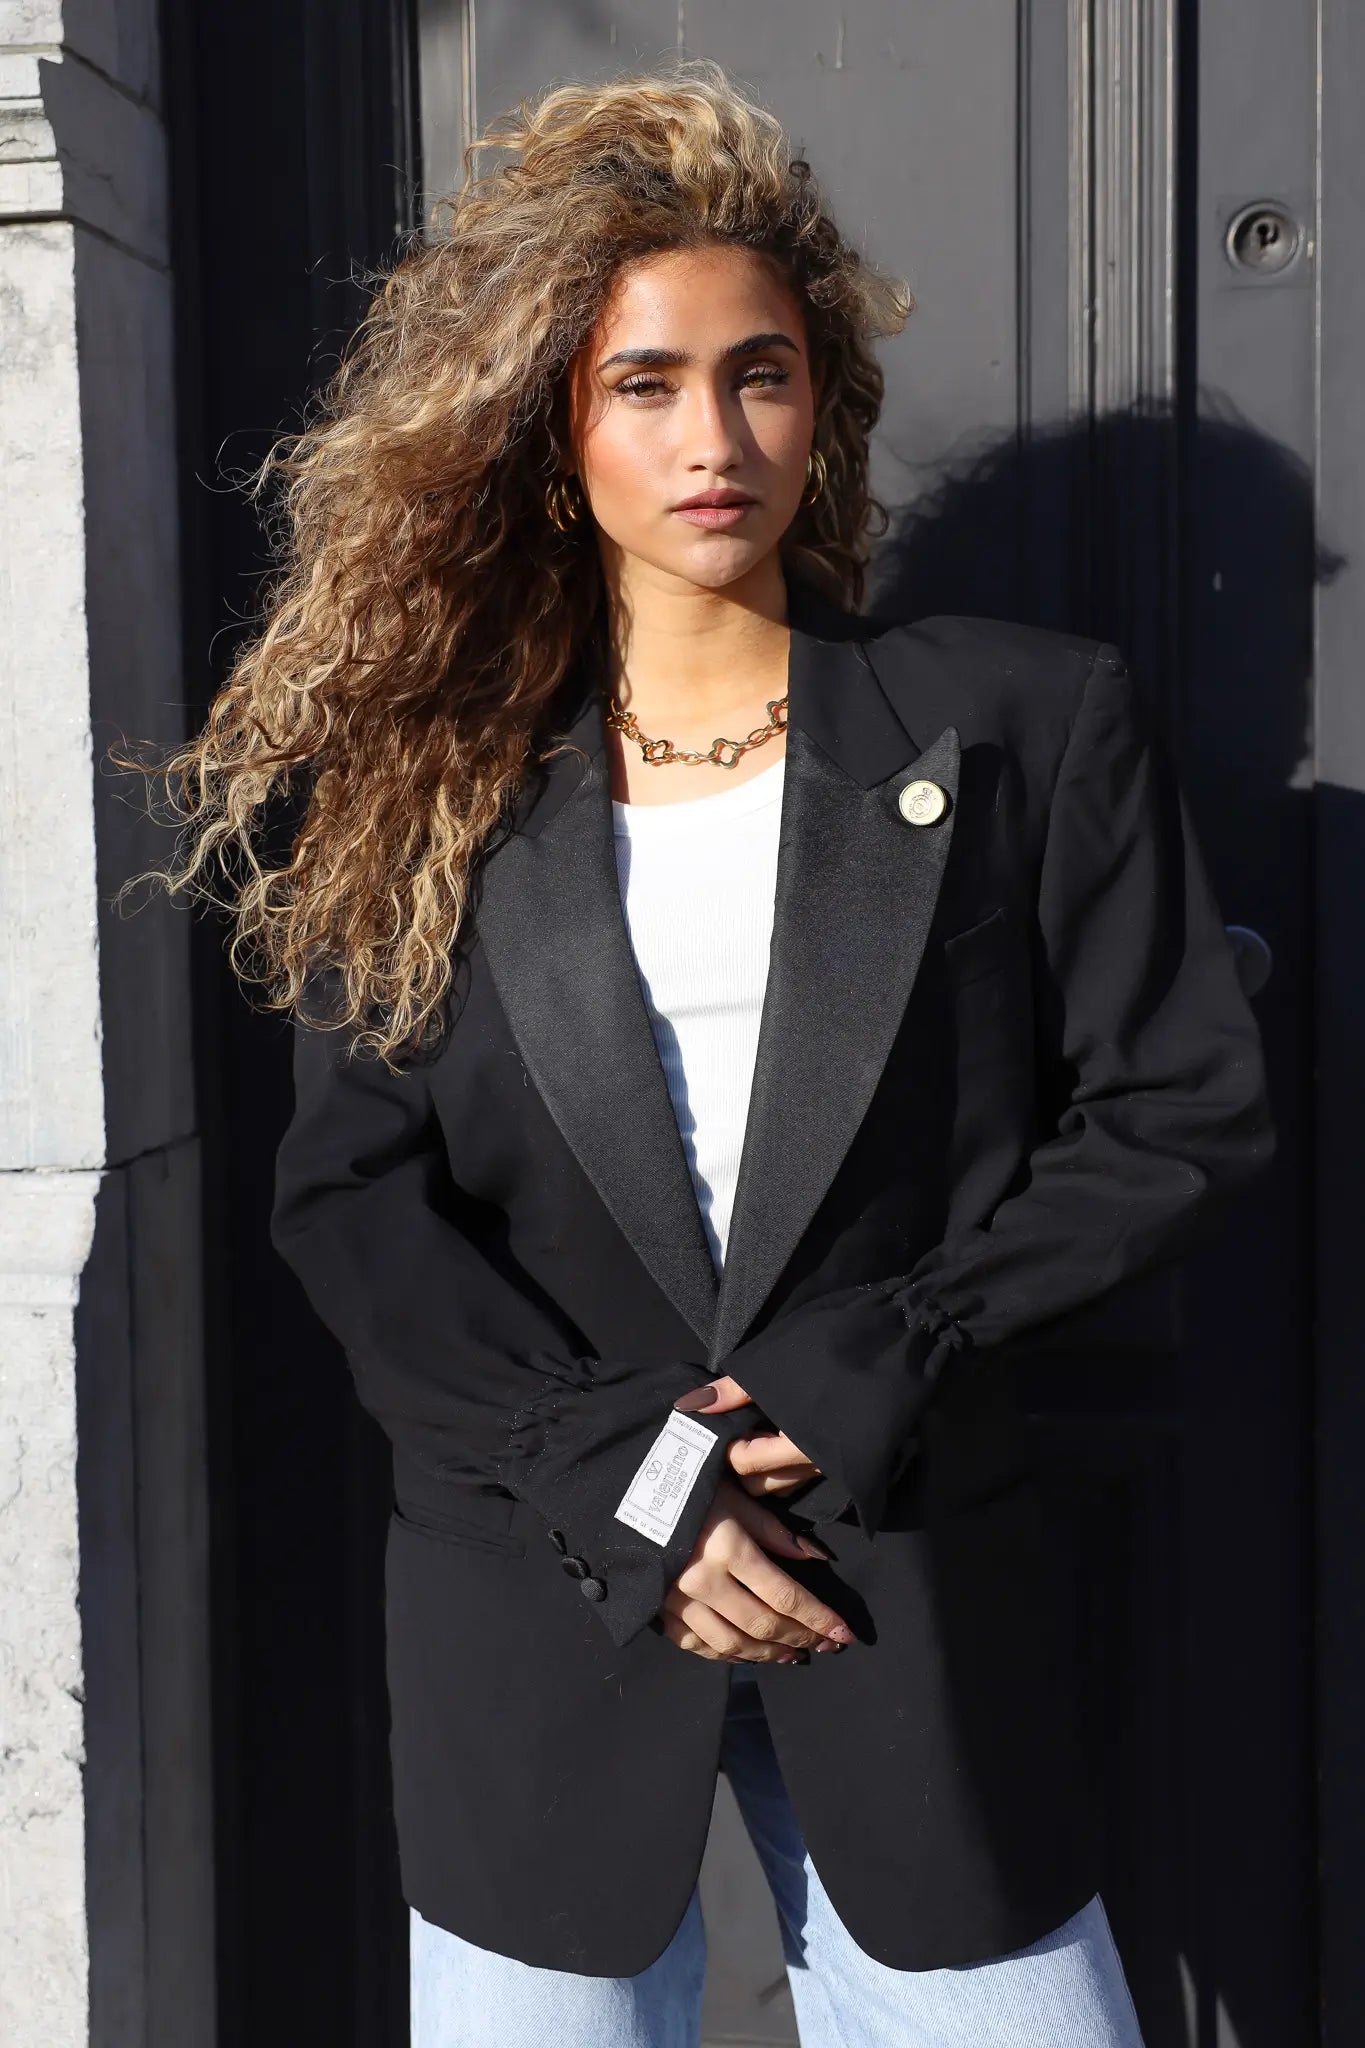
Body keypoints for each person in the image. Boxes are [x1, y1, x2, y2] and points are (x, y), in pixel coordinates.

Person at [119, 57, 1275, 2048]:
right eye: (642, 385)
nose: (712, 437)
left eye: (759, 374)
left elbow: (1177, 1107)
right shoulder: (428, 785)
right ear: (547, 426)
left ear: (822, 401)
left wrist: (885, 1348)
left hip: (902, 1591)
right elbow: (356, 1199)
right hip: (540, 1606)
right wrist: (632, 1478)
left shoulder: (1020, 722)